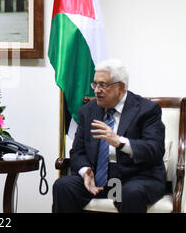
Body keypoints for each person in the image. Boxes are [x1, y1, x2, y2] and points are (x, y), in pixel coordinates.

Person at [53, 59, 166, 213]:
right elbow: (77, 152)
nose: (97, 90)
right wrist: (85, 171)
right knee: (63, 186)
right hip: (97, 180)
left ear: (121, 87)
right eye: (95, 84)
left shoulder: (147, 110)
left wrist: (119, 141)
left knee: (130, 193)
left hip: (133, 178)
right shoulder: (88, 111)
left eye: (103, 85)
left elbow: (155, 150)